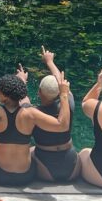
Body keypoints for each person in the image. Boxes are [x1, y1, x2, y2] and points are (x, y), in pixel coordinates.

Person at [0, 58, 71, 186]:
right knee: (31, 150)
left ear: (4, 95)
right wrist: (64, 94)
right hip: (26, 176)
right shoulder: (30, 113)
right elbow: (62, 125)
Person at [31, 47, 81, 182]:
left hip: (44, 169)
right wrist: (50, 62)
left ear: (39, 92)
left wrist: (21, 81)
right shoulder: (68, 103)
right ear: (60, 92)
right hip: (72, 168)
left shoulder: (34, 113)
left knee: (28, 150)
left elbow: (22, 100)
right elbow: (61, 81)